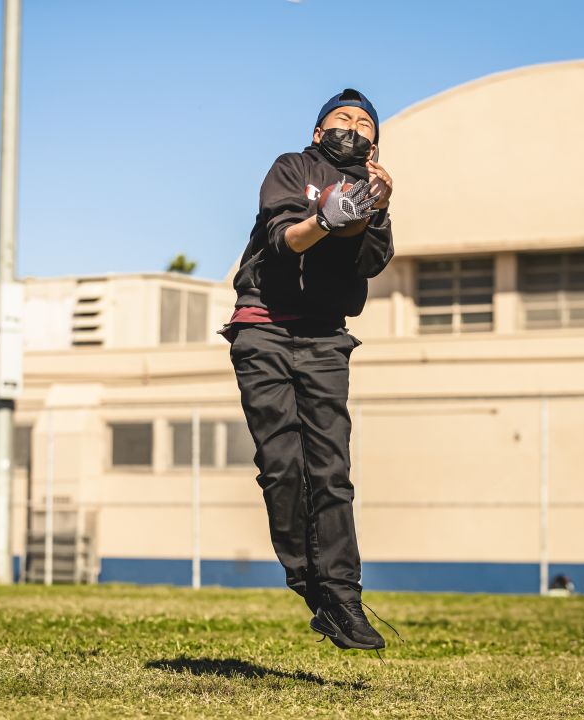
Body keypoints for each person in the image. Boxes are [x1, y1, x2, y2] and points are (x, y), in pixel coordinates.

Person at [218, 88, 399, 651]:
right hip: (264, 329)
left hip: (324, 338)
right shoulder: (293, 167)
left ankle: (343, 596)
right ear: (319, 131)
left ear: (375, 144)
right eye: (341, 118)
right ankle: (311, 587)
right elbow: (285, 240)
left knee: (331, 472)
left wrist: (372, 210)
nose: (353, 125)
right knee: (281, 467)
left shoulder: (374, 192)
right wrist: (325, 214)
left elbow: (368, 259)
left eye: (365, 122)